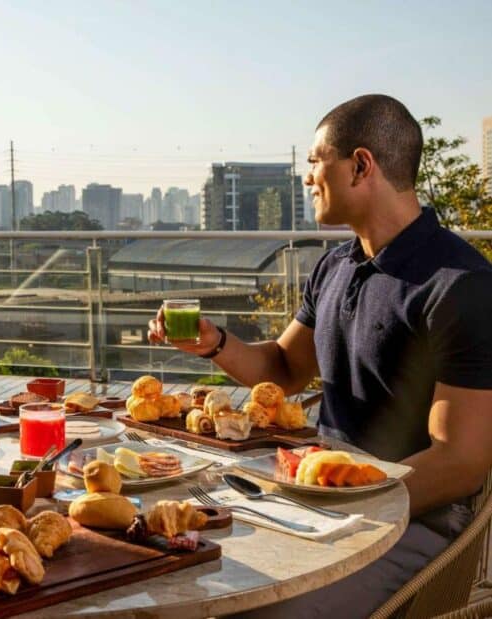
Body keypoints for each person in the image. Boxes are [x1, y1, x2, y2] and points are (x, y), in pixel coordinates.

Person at [148, 94, 492, 617]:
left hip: (412, 518)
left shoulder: (460, 284)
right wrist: (214, 342)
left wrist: (343, 501)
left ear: (360, 166)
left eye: (315, 161)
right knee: (178, 565)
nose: (308, 177)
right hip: (315, 495)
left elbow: (461, 461)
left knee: (251, 608)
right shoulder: (335, 266)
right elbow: (283, 371)